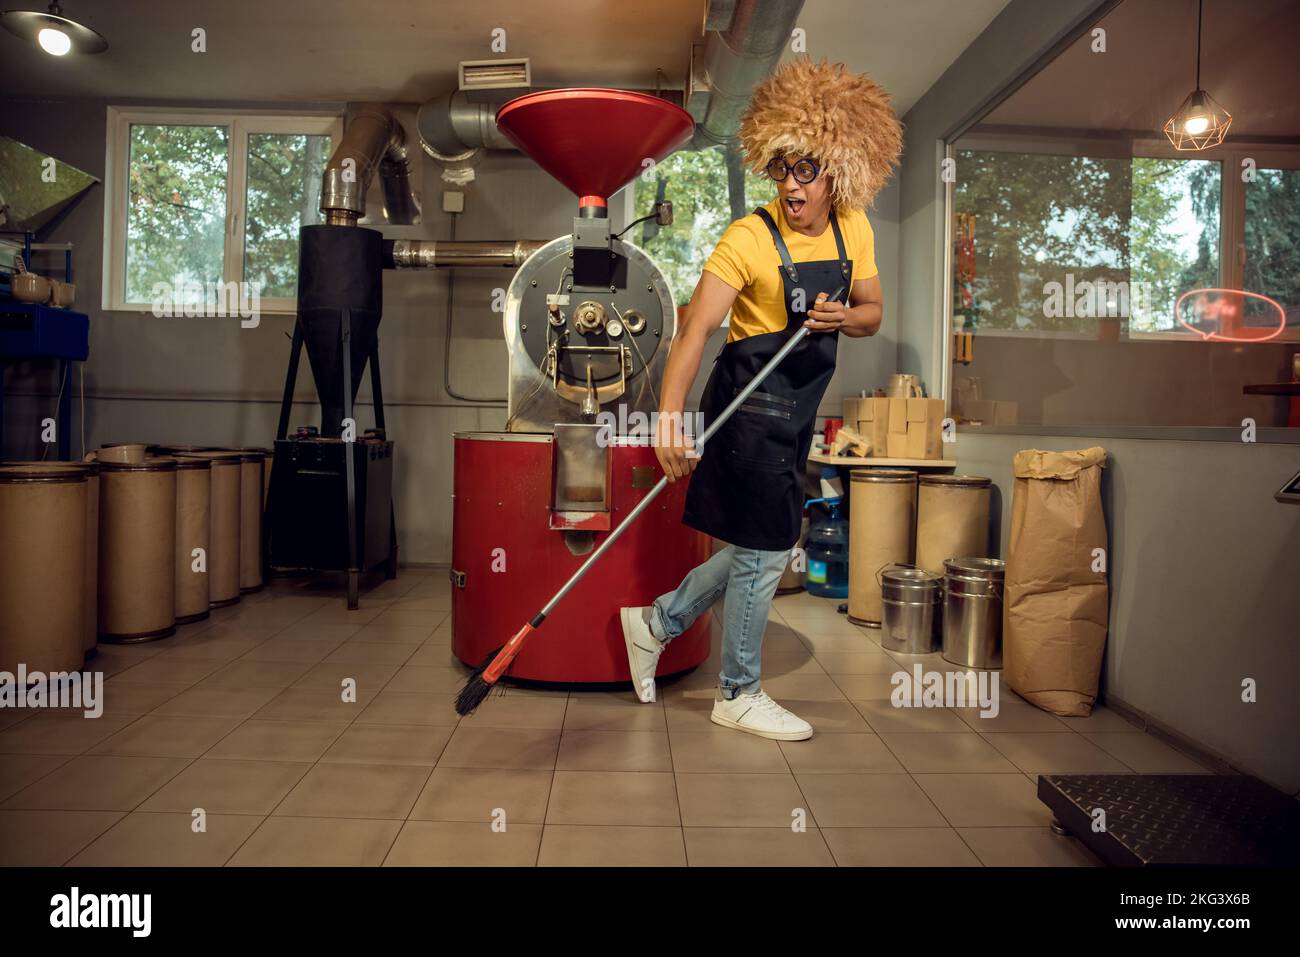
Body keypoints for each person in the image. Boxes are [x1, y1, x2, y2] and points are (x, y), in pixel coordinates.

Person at [620, 58, 903, 739]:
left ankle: (655, 621)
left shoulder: (853, 229)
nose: (790, 185)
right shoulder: (749, 237)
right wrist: (669, 418)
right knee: (771, 544)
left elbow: (873, 312)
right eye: (780, 169)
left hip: (798, 410)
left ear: (838, 168)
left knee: (762, 546)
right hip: (746, 410)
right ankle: (738, 690)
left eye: (804, 169)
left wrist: (843, 320)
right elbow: (695, 331)